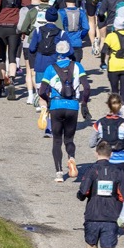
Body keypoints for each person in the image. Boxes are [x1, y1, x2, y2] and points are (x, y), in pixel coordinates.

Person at [77, 140, 124, 248]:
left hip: (93, 216)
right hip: (111, 219)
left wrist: (83, 192)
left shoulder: (92, 170)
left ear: (96, 153)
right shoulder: (118, 172)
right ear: (111, 154)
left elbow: (82, 193)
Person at [38, 39, 90, 181]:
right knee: (69, 139)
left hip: (56, 105)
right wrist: (84, 103)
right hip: (73, 106)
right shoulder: (78, 66)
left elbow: (41, 90)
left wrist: (48, 101)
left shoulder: (50, 69)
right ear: (69, 52)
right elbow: (86, 87)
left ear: (57, 52)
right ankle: (71, 157)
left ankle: (59, 173)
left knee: (56, 140)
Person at [0, 0, 31, 98]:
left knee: (2, 56)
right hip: (14, 26)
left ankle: (2, 84)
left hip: (1, 25)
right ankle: (12, 81)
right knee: (13, 56)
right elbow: (27, 5)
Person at [90, 94, 124, 177]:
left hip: (105, 162)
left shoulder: (100, 123)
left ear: (108, 105)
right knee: (122, 187)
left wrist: (100, 140)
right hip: (121, 162)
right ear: (120, 106)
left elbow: (91, 143)